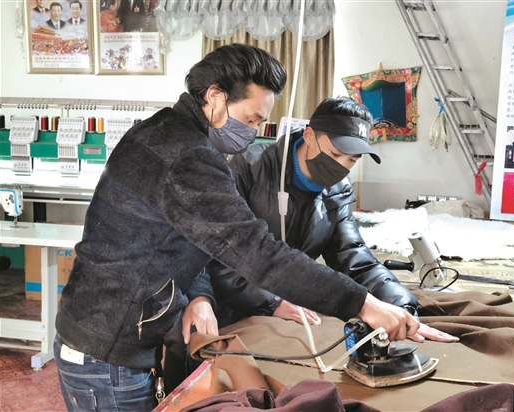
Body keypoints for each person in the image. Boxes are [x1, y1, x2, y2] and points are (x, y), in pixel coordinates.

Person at [54, 44, 421, 411]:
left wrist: (198, 295)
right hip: (107, 351)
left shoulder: (163, 131)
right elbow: (256, 253)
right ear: (215, 97)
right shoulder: (191, 157)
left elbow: (186, 237)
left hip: (105, 332)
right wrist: (361, 303)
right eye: (250, 119)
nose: (254, 132)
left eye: (260, 123)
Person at [162, 96, 459, 393]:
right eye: (335, 153)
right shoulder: (248, 169)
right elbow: (217, 254)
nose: (341, 166)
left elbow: (353, 257)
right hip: (225, 299)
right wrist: (272, 302)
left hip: (290, 301)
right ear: (309, 135)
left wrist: (398, 306)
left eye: (352, 160)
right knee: (194, 352)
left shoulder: (337, 191)